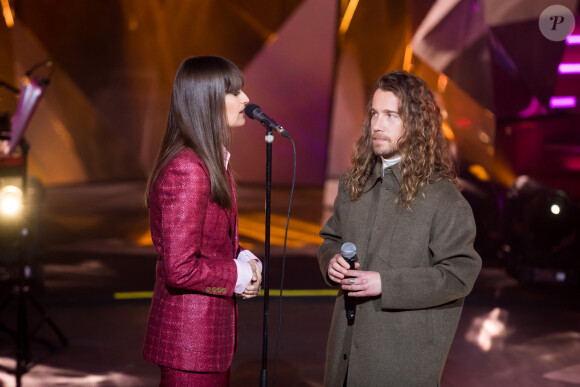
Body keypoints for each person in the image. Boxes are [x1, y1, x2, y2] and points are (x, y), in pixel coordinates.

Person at [318, 70, 482, 386]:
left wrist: (387, 283)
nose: (377, 125)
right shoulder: (353, 184)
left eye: (391, 115)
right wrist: (331, 260)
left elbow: (460, 273)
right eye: (375, 114)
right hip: (345, 358)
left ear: (417, 123)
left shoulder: (442, 196)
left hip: (399, 365)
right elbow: (331, 239)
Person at [142, 56, 262, 386]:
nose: (245, 100)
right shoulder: (189, 170)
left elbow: (210, 240)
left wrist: (244, 257)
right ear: (206, 101)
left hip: (204, 344)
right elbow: (179, 267)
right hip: (189, 348)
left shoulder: (207, 162)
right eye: (234, 92)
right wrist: (237, 275)